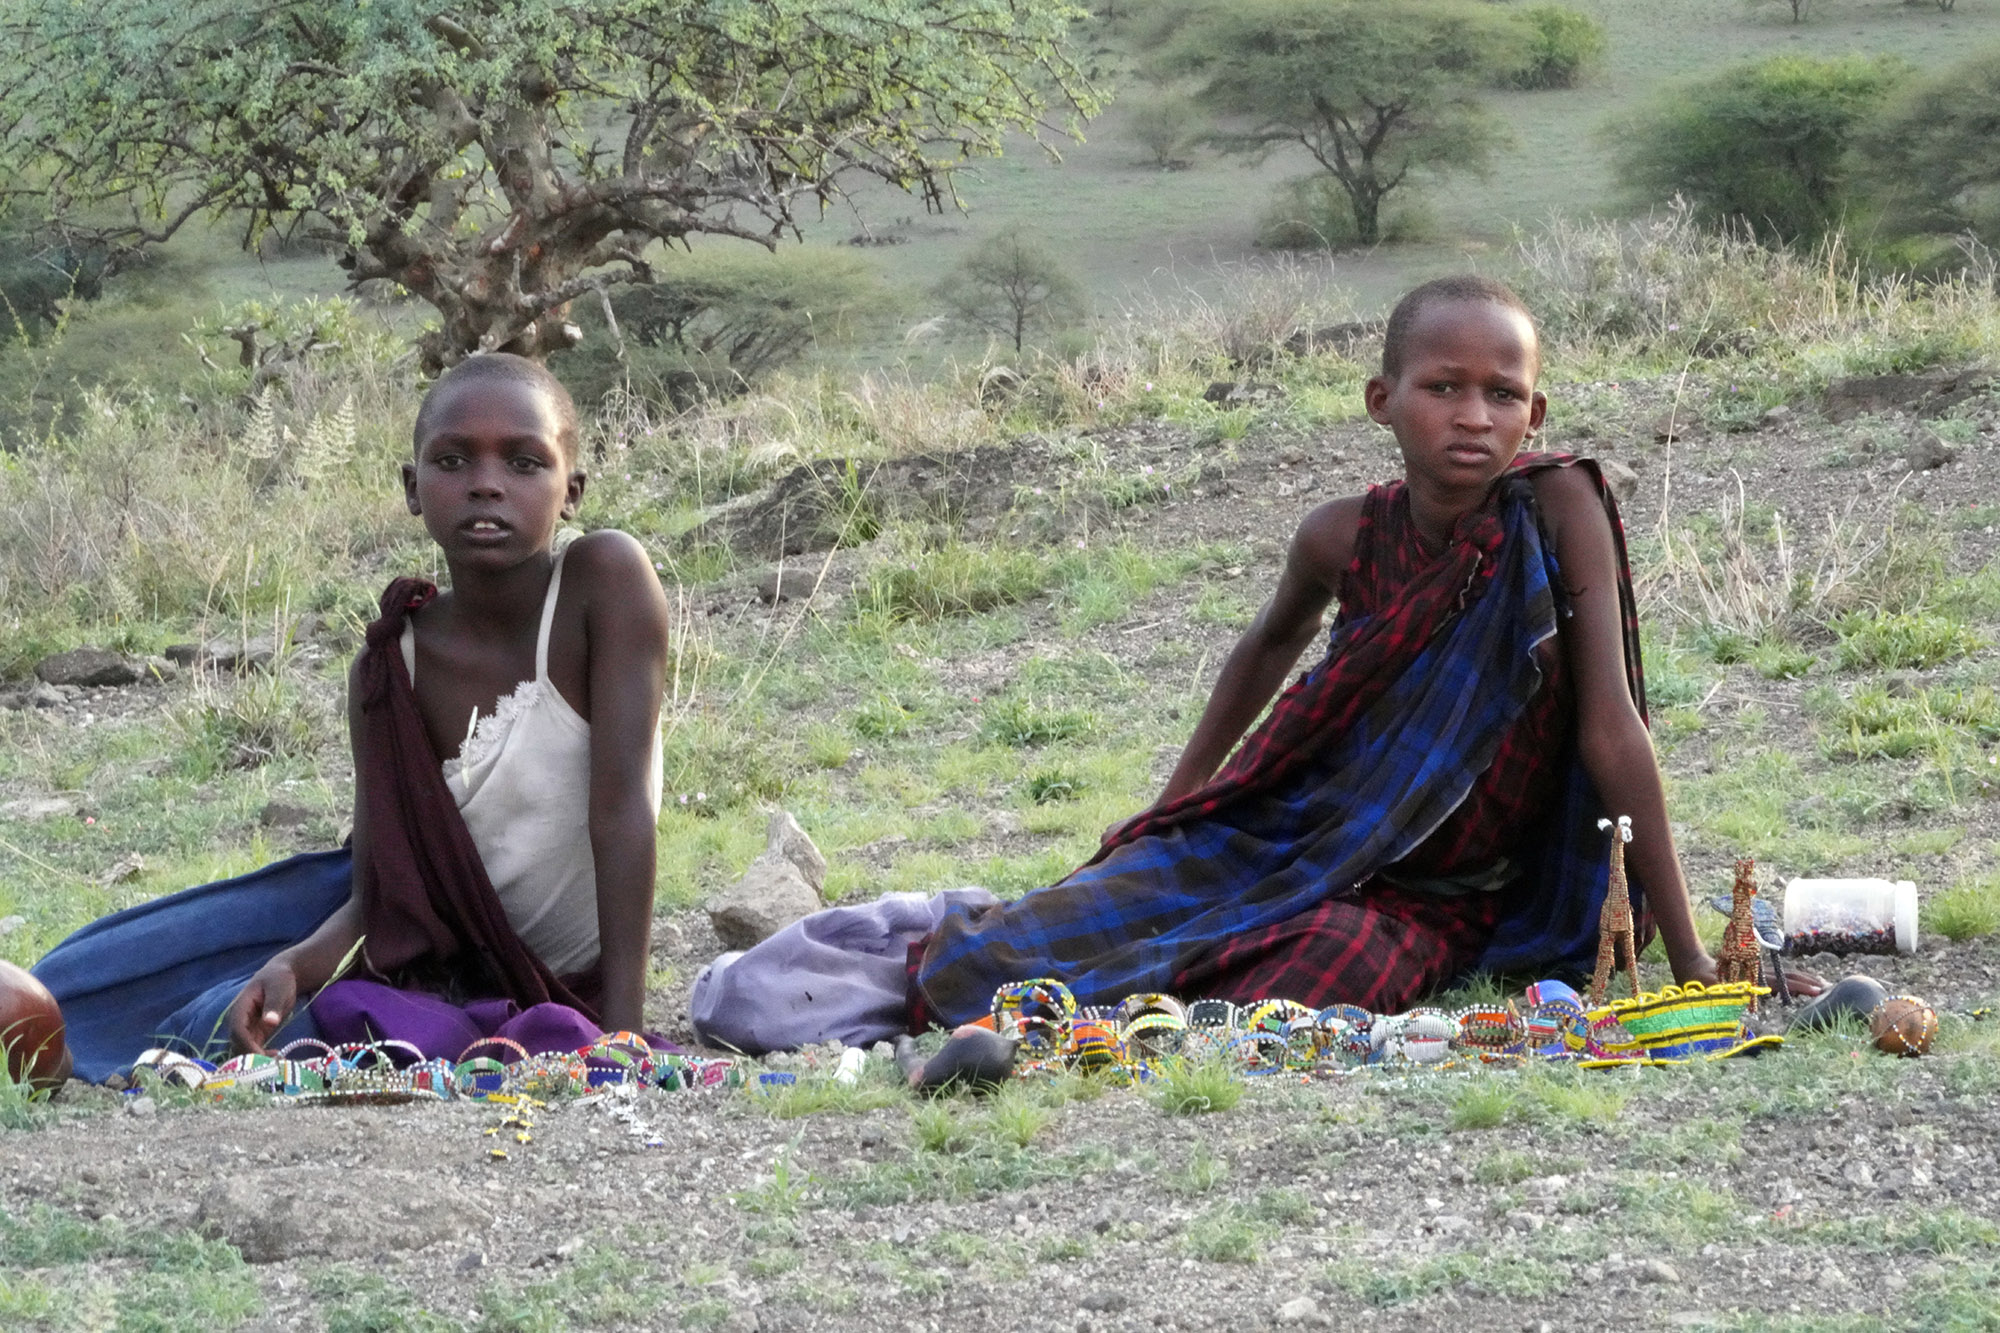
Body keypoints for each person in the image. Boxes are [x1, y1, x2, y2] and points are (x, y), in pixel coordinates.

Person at [694, 276, 1819, 1054]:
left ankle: (1099, 1007)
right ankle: (921, 954)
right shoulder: (1341, 536)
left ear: (1536, 412)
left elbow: (1611, 728)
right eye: (1442, 387)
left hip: (1436, 894)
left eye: (1502, 393)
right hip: (1285, 833)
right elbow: (1263, 649)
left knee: (1303, 988)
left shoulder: (1557, 508)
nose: (1473, 417)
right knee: (1043, 935)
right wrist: (1173, 810)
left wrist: (1688, 957)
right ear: (1382, 401)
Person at [34, 355, 672, 1080]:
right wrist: (295, 963)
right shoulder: (391, 662)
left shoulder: (603, 583)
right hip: (400, 917)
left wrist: (623, 1033)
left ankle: (84, 1040)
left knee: (244, 1026)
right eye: (452, 461)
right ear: (412, 488)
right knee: (138, 959)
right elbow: (379, 888)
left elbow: (623, 811)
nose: (486, 484)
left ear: (571, 491)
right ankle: (33, 1012)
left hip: (497, 965)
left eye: (525, 463)